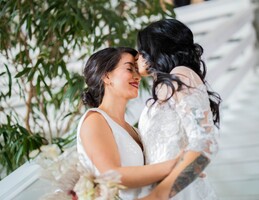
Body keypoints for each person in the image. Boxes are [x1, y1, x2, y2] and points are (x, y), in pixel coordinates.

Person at [76, 47, 179, 200]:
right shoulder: (95, 120)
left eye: (138, 71)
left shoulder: (135, 131)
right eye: (130, 69)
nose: (138, 77)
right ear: (106, 76)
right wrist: (176, 165)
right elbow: (111, 175)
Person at [136, 18, 222, 199]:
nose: (138, 57)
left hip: (179, 191)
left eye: (141, 50)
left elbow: (205, 142)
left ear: (155, 50)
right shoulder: (166, 85)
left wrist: (158, 194)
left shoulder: (180, 75)